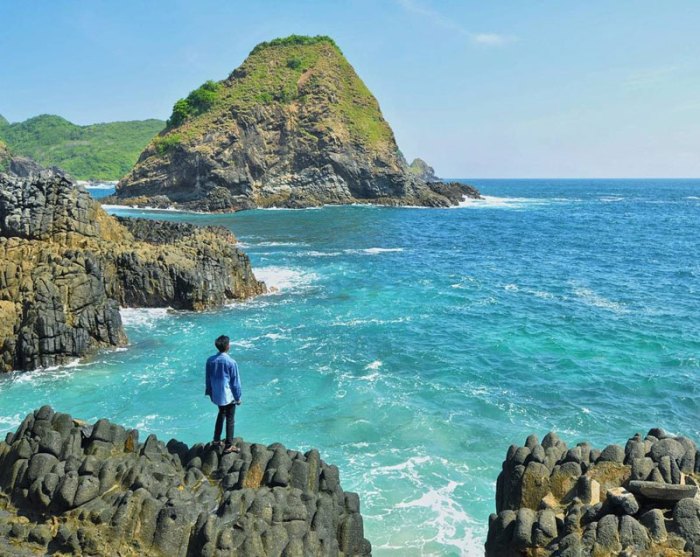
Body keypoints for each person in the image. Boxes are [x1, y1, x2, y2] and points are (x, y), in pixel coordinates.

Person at [205, 335, 242, 454]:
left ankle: (216, 440)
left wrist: (209, 391)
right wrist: (238, 397)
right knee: (230, 419)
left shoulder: (210, 360)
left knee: (221, 414)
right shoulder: (231, 362)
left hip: (217, 394)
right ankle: (229, 445)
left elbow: (208, 378)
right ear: (227, 346)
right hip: (228, 395)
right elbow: (235, 382)